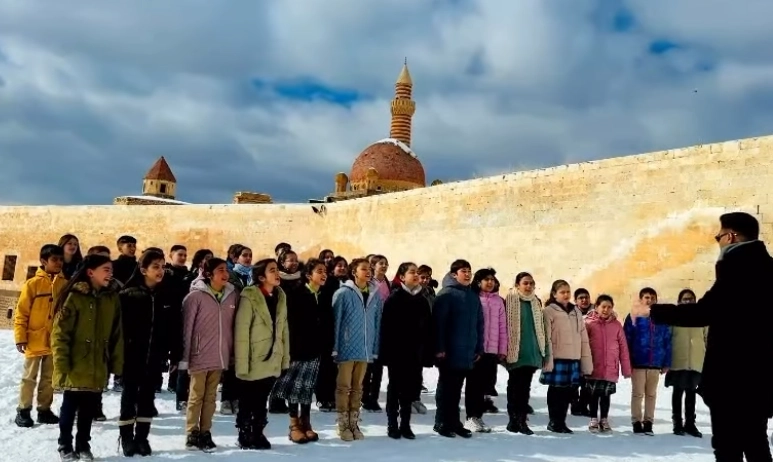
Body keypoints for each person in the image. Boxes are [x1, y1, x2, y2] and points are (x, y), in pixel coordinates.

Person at [637, 212, 773, 461]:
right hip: (761, 376)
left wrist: (654, 311)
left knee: (728, 446)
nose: (717, 241)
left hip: (733, 376)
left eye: (718, 236)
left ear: (731, 237)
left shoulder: (737, 268)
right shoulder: (768, 268)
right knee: (756, 441)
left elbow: (704, 312)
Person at [51, 254, 124, 462]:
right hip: (75, 363)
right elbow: (59, 333)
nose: (110, 274)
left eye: (111, 270)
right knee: (69, 407)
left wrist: (116, 363)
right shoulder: (74, 296)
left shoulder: (111, 298)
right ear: (91, 272)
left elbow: (117, 333)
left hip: (98, 363)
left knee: (88, 409)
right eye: (106, 270)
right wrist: (61, 362)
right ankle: (65, 445)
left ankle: (83, 444)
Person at [179, 258, 238, 453]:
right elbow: (187, 328)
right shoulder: (195, 296)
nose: (225, 274)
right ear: (208, 274)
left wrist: (231, 352)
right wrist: (185, 357)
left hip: (219, 354)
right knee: (196, 395)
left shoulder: (231, 295)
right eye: (220, 270)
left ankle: (205, 431)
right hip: (199, 354)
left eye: (226, 270)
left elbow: (233, 327)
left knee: (211, 397)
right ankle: (192, 432)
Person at [117, 249, 171, 457]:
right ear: (143, 270)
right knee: (129, 398)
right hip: (131, 357)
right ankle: (126, 438)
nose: (160, 271)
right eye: (155, 267)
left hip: (155, 358)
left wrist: (171, 353)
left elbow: (172, 328)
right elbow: (119, 330)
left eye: (163, 267)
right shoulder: (128, 295)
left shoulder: (165, 295)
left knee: (148, 399)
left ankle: (142, 438)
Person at [235, 258, 290, 450]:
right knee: (248, 398)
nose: (277, 273)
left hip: (272, 356)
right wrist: (242, 364)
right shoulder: (250, 296)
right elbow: (241, 331)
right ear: (261, 277)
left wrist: (284, 358)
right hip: (254, 356)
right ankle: (244, 432)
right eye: (272, 270)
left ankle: (258, 431)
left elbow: (284, 330)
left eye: (277, 270)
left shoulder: (280, 296)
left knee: (261, 398)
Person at [14, 244, 68, 428]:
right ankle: (23, 410)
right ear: (44, 261)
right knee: (29, 377)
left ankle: (44, 410)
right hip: (34, 339)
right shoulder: (32, 284)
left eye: (61, 259)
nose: (58, 263)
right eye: (54, 259)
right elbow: (21, 313)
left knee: (49, 378)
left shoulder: (65, 284)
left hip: (54, 340)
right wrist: (20, 337)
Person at [432, 259, 484, 439]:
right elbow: (438, 324)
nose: (468, 274)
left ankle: (454, 422)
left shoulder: (472, 296)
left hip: (467, 350)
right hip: (449, 350)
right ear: (454, 274)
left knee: (456, 388)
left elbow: (479, 324)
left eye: (469, 271)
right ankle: (441, 422)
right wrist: (439, 347)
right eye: (464, 271)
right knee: (446, 387)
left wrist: (479, 348)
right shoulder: (446, 294)